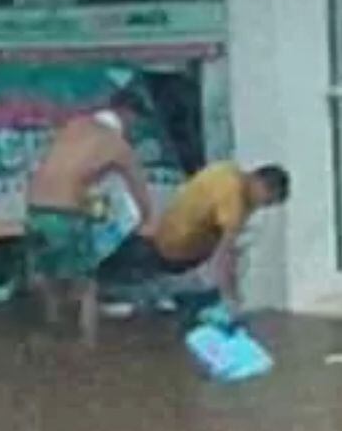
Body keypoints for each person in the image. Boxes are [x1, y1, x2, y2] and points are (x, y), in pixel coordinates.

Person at [23, 109, 157, 345]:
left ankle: (53, 328)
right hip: (65, 215)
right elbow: (140, 192)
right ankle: (88, 341)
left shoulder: (72, 128)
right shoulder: (118, 146)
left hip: (34, 210)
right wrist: (147, 222)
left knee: (47, 275)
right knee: (86, 283)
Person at [148, 162, 291, 313]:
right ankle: (172, 288)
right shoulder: (235, 201)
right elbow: (224, 256)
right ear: (261, 185)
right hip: (178, 248)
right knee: (238, 259)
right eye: (266, 202)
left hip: (166, 229)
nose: (260, 208)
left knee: (237, 246)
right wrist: (232, 298)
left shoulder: (228, 171)